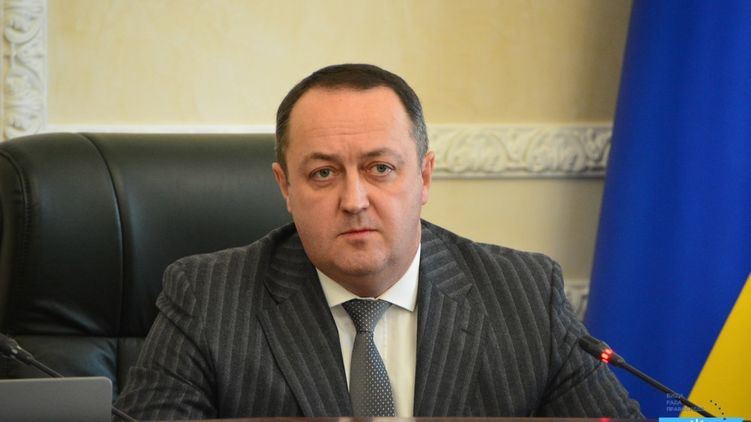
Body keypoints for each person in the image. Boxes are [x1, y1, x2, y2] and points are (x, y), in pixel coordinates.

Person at [116, 63, 641, 420]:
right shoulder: (208, 298)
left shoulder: (524, 294)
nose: (354, 200)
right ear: (286, 187)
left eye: (380, 168)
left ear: (424, 178)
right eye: (323, 173)